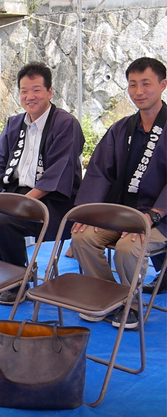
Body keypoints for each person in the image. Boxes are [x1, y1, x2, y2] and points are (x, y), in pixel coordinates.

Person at [0, 62, 84, 305]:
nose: (29, 96)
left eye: (36, 90)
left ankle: (18, 282)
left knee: (6, 221)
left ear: (50, 92)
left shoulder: (65, 124)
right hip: (15, 195)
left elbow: (58, 171)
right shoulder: (14, 123)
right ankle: (7, 275)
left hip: (53, 201)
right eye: (24, 90)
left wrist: (19, 204)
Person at [71, 57, 167, 329]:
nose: (138, 91)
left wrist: (153, 216)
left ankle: (132, 304)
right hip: (120, 214)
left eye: (146, 84)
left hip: (160, 217)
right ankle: (108, 296)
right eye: (133, 84)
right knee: (82, 236)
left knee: (128, 247)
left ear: (162, 85)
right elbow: (100, 171)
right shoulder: (122, 128)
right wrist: (89, 212)